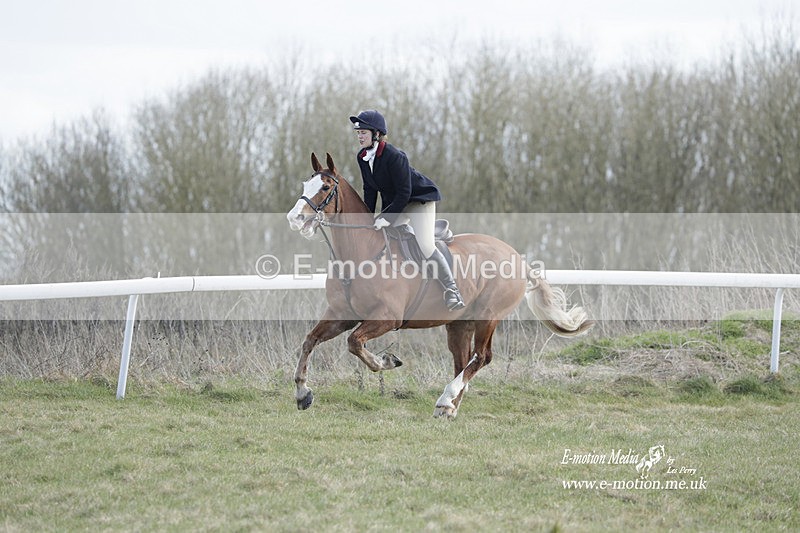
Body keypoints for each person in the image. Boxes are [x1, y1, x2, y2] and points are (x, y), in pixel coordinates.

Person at [349, 109, 465, 311]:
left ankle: (452, 290)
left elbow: (404, 192)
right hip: (397, 203)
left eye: (363, 132)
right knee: (382, 236)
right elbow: (369, 189)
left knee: (426, 245)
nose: (359, 136)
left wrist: (386, 217)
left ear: (376, 134)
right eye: (358, 133)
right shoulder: (362, 157)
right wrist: (367, 219)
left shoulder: (395, 156)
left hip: (418, 200)